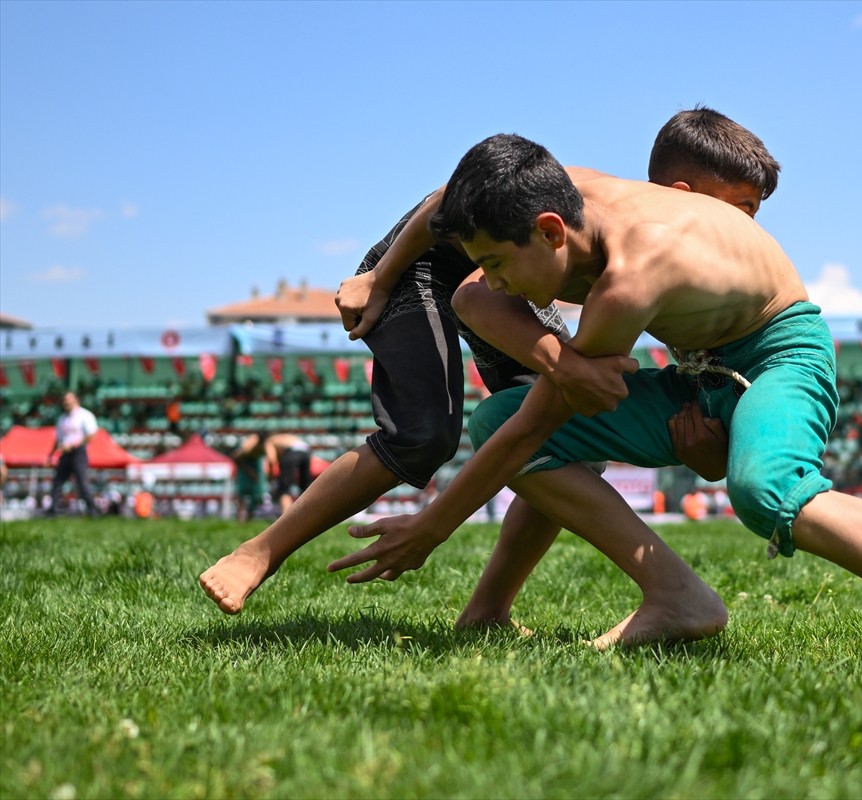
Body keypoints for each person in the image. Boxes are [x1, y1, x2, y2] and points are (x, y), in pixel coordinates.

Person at [329, 134, 862, 671]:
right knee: (497, 415)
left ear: (550, 232)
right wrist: (384, 279)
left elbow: (536, 421)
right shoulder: (562, 191)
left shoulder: (632, 276)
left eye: (497, 262)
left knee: (766, 489)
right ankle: (676, 597)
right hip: (703, 371)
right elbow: (454, 243)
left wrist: (434, 527)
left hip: (779, 355)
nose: (492, 278)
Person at [199, 108, 774, 618]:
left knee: (567, 435)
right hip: (419, 269)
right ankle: (259, 552)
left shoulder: (671, 258)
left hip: (503, 286)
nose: (749, 228)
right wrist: (380, 276)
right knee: (422, 437)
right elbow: (443, 208)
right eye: (743, 208)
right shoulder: (583, 198)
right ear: (684, 192)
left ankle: (487, 610)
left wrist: (708, 450)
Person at [46, 391, 100, 517]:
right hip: (65, 453)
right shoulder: (62, 418)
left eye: (68, 399)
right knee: (57, 482)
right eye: (64, 400)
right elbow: (58, 439)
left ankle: (92, 510)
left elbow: (91, 435)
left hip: (78, 453)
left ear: (76, 400)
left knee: (82, 482)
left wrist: (73, 445)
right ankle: (53, 510)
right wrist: (51, 454)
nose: (65, 402)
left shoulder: (85, 415)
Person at [230, 432, 269, 522]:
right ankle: (240, 520)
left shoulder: (264, 446)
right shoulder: (248, 448)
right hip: (245, 473)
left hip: (256, 472)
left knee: (257, 497)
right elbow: (235, 457)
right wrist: (249, 471)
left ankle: (248, 520)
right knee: (242, 496)